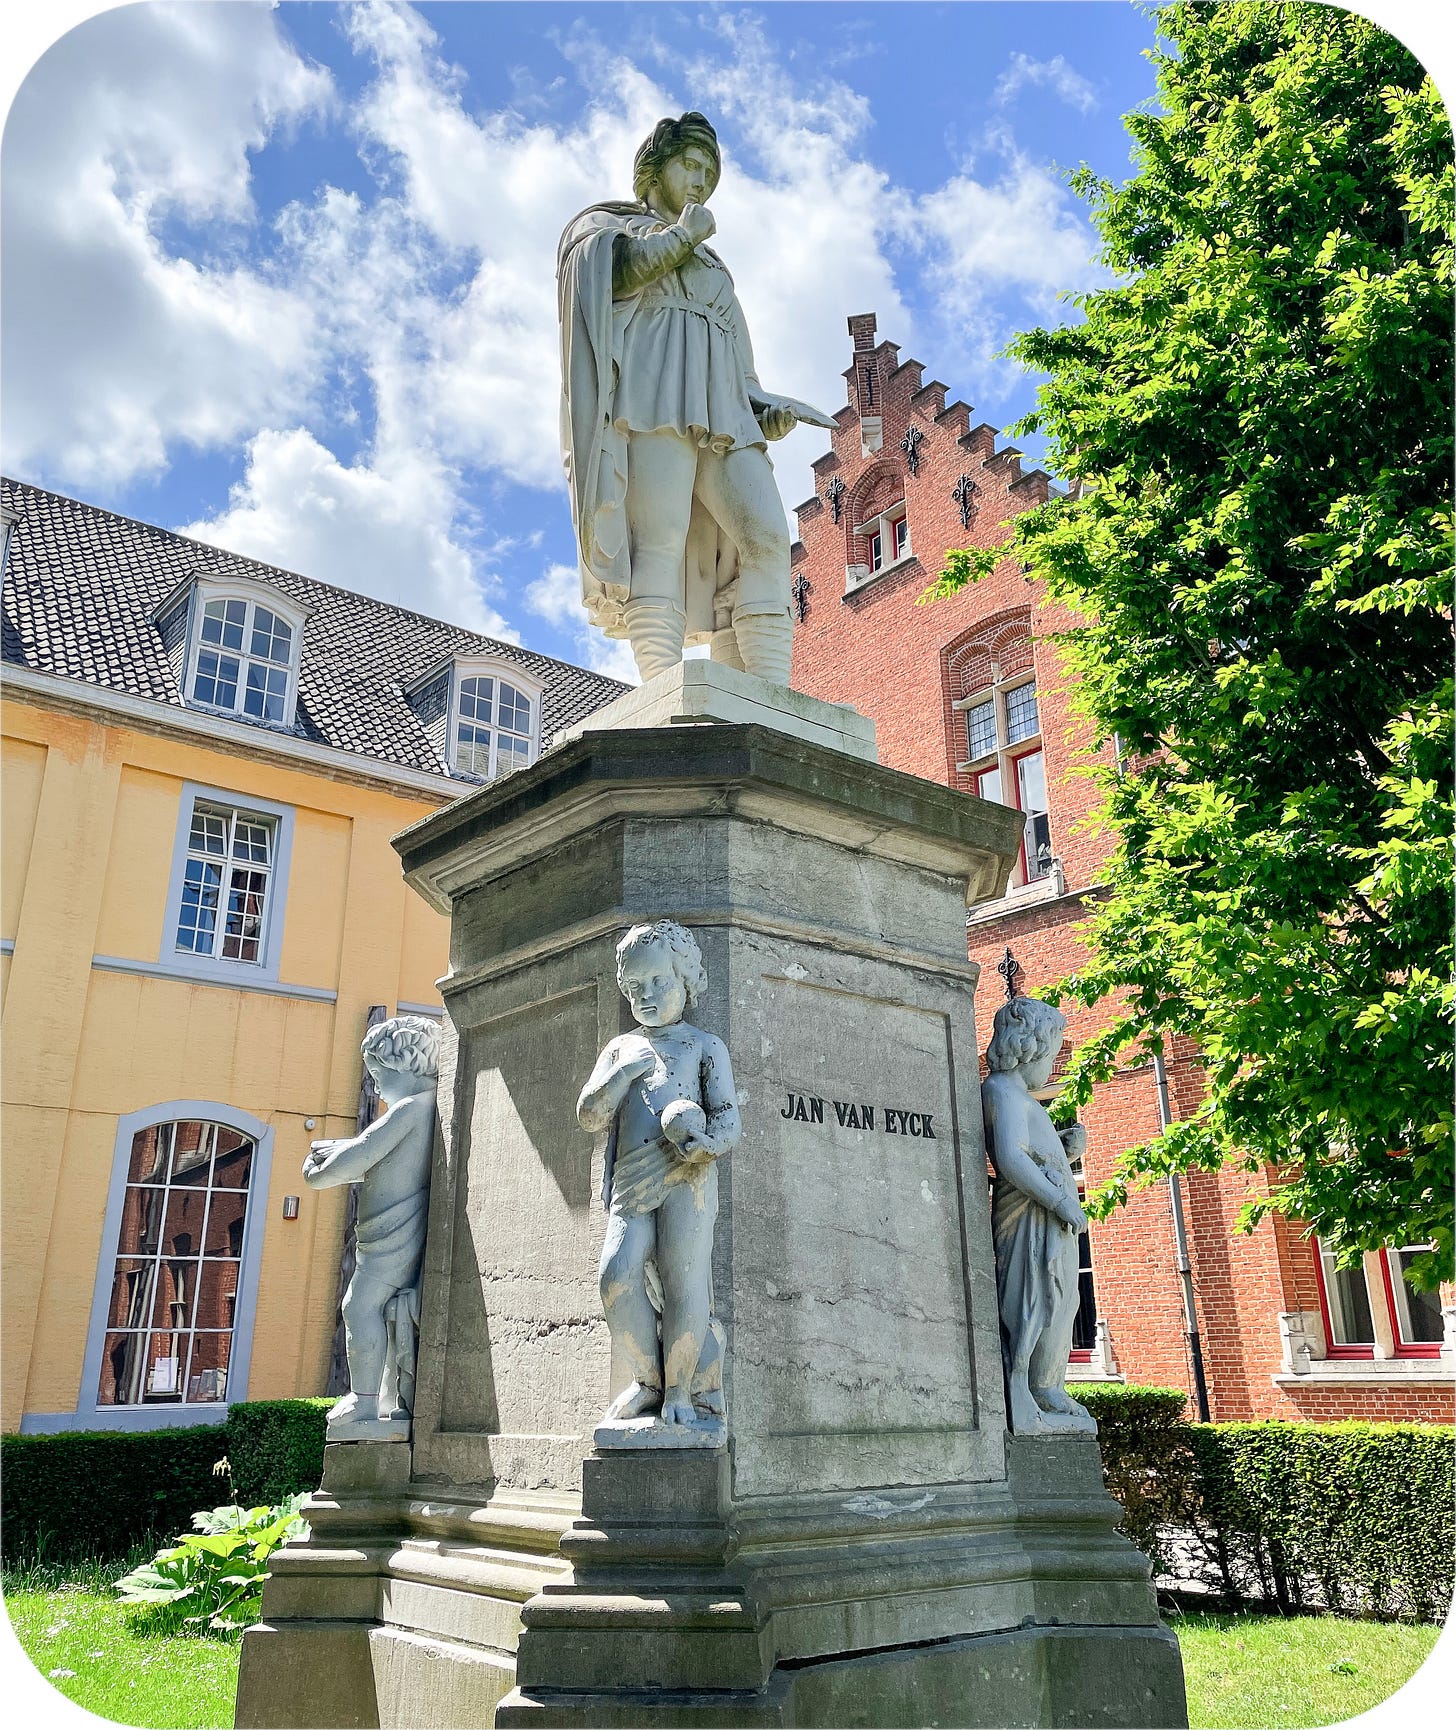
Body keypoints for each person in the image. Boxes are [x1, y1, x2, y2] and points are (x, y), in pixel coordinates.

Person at [557, 111, 834, 686]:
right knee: (658, 539)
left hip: (723, 411)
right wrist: (683, 235)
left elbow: (743, 371)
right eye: (690, 165)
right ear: (654, 169)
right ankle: (663, 693)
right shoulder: (611, 226)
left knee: (766, 539)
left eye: (710, 172)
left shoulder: (713, 265)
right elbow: (611, 277)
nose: (701, 180)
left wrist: (767, 412)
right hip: (652, 393)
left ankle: (772, 695)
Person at [577, 920, 740, 1429]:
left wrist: (705, 1146)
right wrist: (622, 1073)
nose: (646, 996)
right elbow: (590, 1114)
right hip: (632, 1182)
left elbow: (727, 1114)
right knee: (616, 1276)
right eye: (635, 988)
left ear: (686, 981)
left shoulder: (704, 1047)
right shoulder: (621, 1049)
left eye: (659, 983)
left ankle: (680, 1390)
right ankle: (647, 1379)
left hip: (686, 1178)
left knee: (684, 1281)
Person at [302, 1015, 440, 1434]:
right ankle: (381, 1399)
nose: (375, 1087)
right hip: (388, 1232)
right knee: (380, 1313)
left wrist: (317, 1168)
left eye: (378, 1074)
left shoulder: (409, 1109)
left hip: (392, 1235)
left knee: (359, 1308)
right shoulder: (425, 1108)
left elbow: (361, 1154)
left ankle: (364, 1406)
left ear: (405, 1066)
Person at [981, 996, 1097, 1436]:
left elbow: (1032, 1153)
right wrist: (1059, 1199)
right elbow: (1010, 1157)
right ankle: (1031, 1388)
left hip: (1050, 1222)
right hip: (1032, 1220)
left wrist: (1063, 1153)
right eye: (1050, 1056)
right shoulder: (1002, 1091)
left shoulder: (1022, 1097)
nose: (1050, 1068)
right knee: (1037, 1300)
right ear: (1028, 1049)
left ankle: (1049, 1384)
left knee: (1063, 1301)